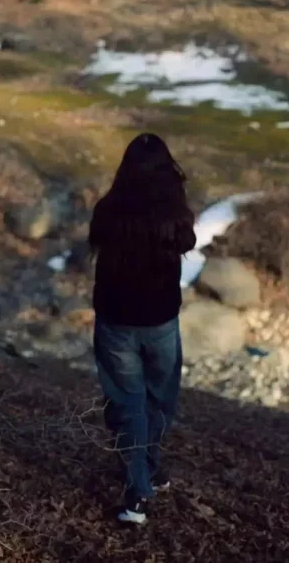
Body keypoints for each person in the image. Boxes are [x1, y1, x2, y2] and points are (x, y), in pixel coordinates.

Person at [89, 133, 196, 525]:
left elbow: (96, 241)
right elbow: (188, 242)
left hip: (116, 321)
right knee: (159, 399)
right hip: (160, 322)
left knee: (127, 404)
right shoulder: (175, 214)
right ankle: (145, 474)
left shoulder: (108, 209)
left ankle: (139, 488)